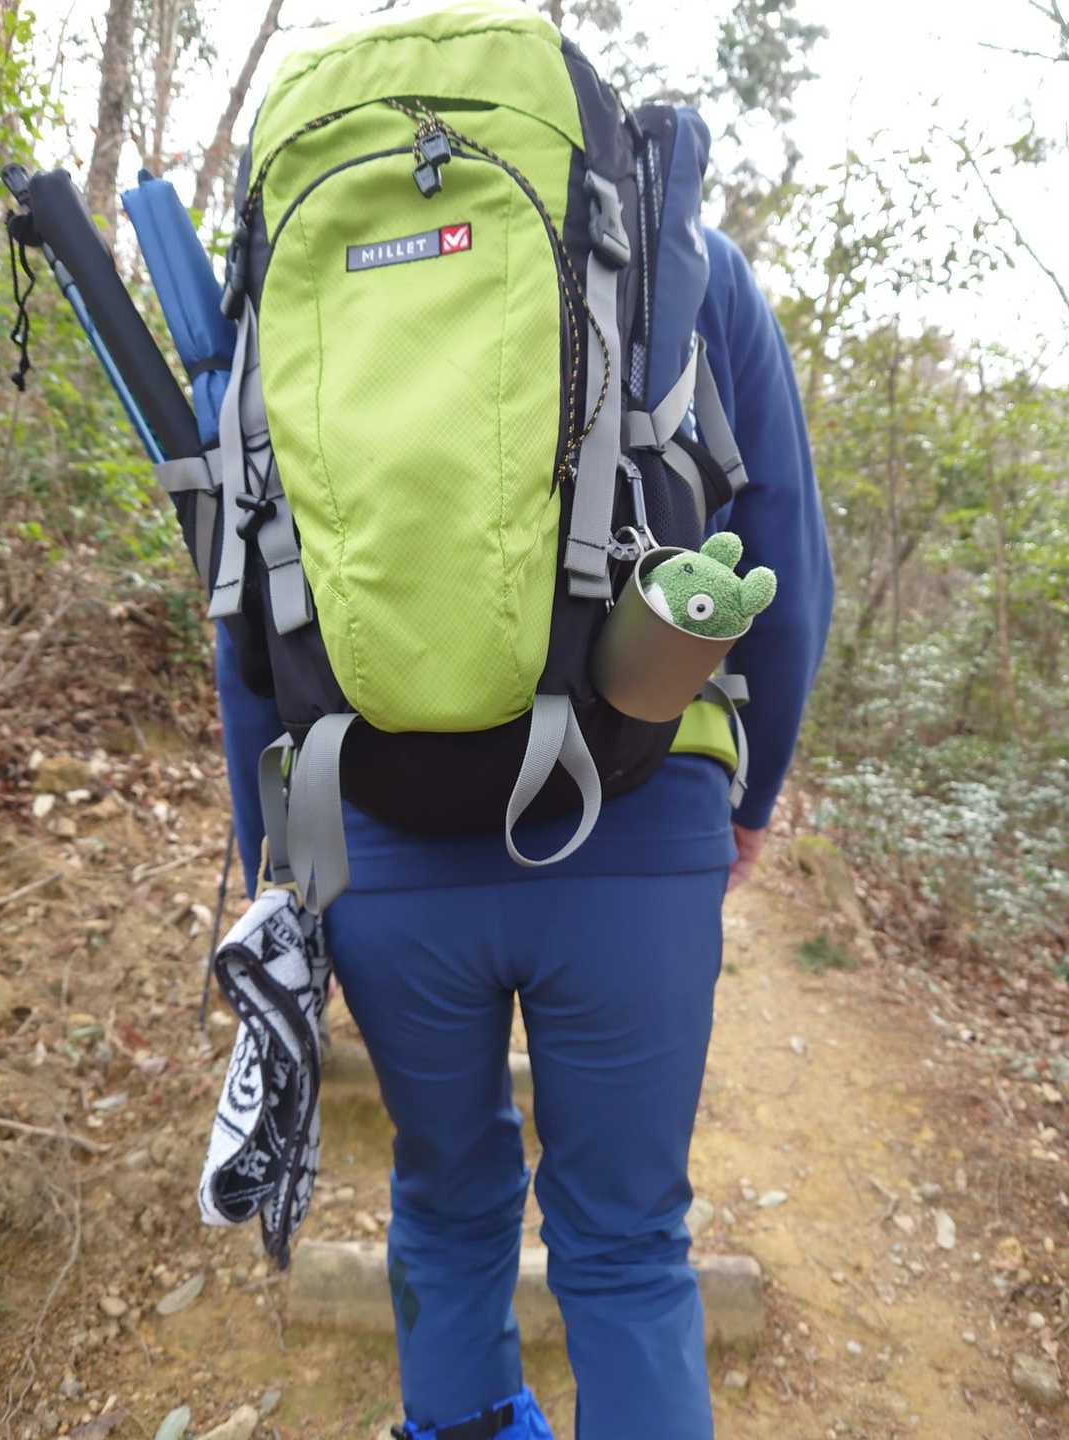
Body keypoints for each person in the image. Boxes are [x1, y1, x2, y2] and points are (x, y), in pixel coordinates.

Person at [215, 225, 833, 1440]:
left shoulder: (297, 276)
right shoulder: (680, 251)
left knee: (447, 1203)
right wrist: (751, 800)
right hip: (640, 815)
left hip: (376, 823)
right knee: (629, 1241)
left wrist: (276, 867)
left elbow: (242, 592)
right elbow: (787, 567)